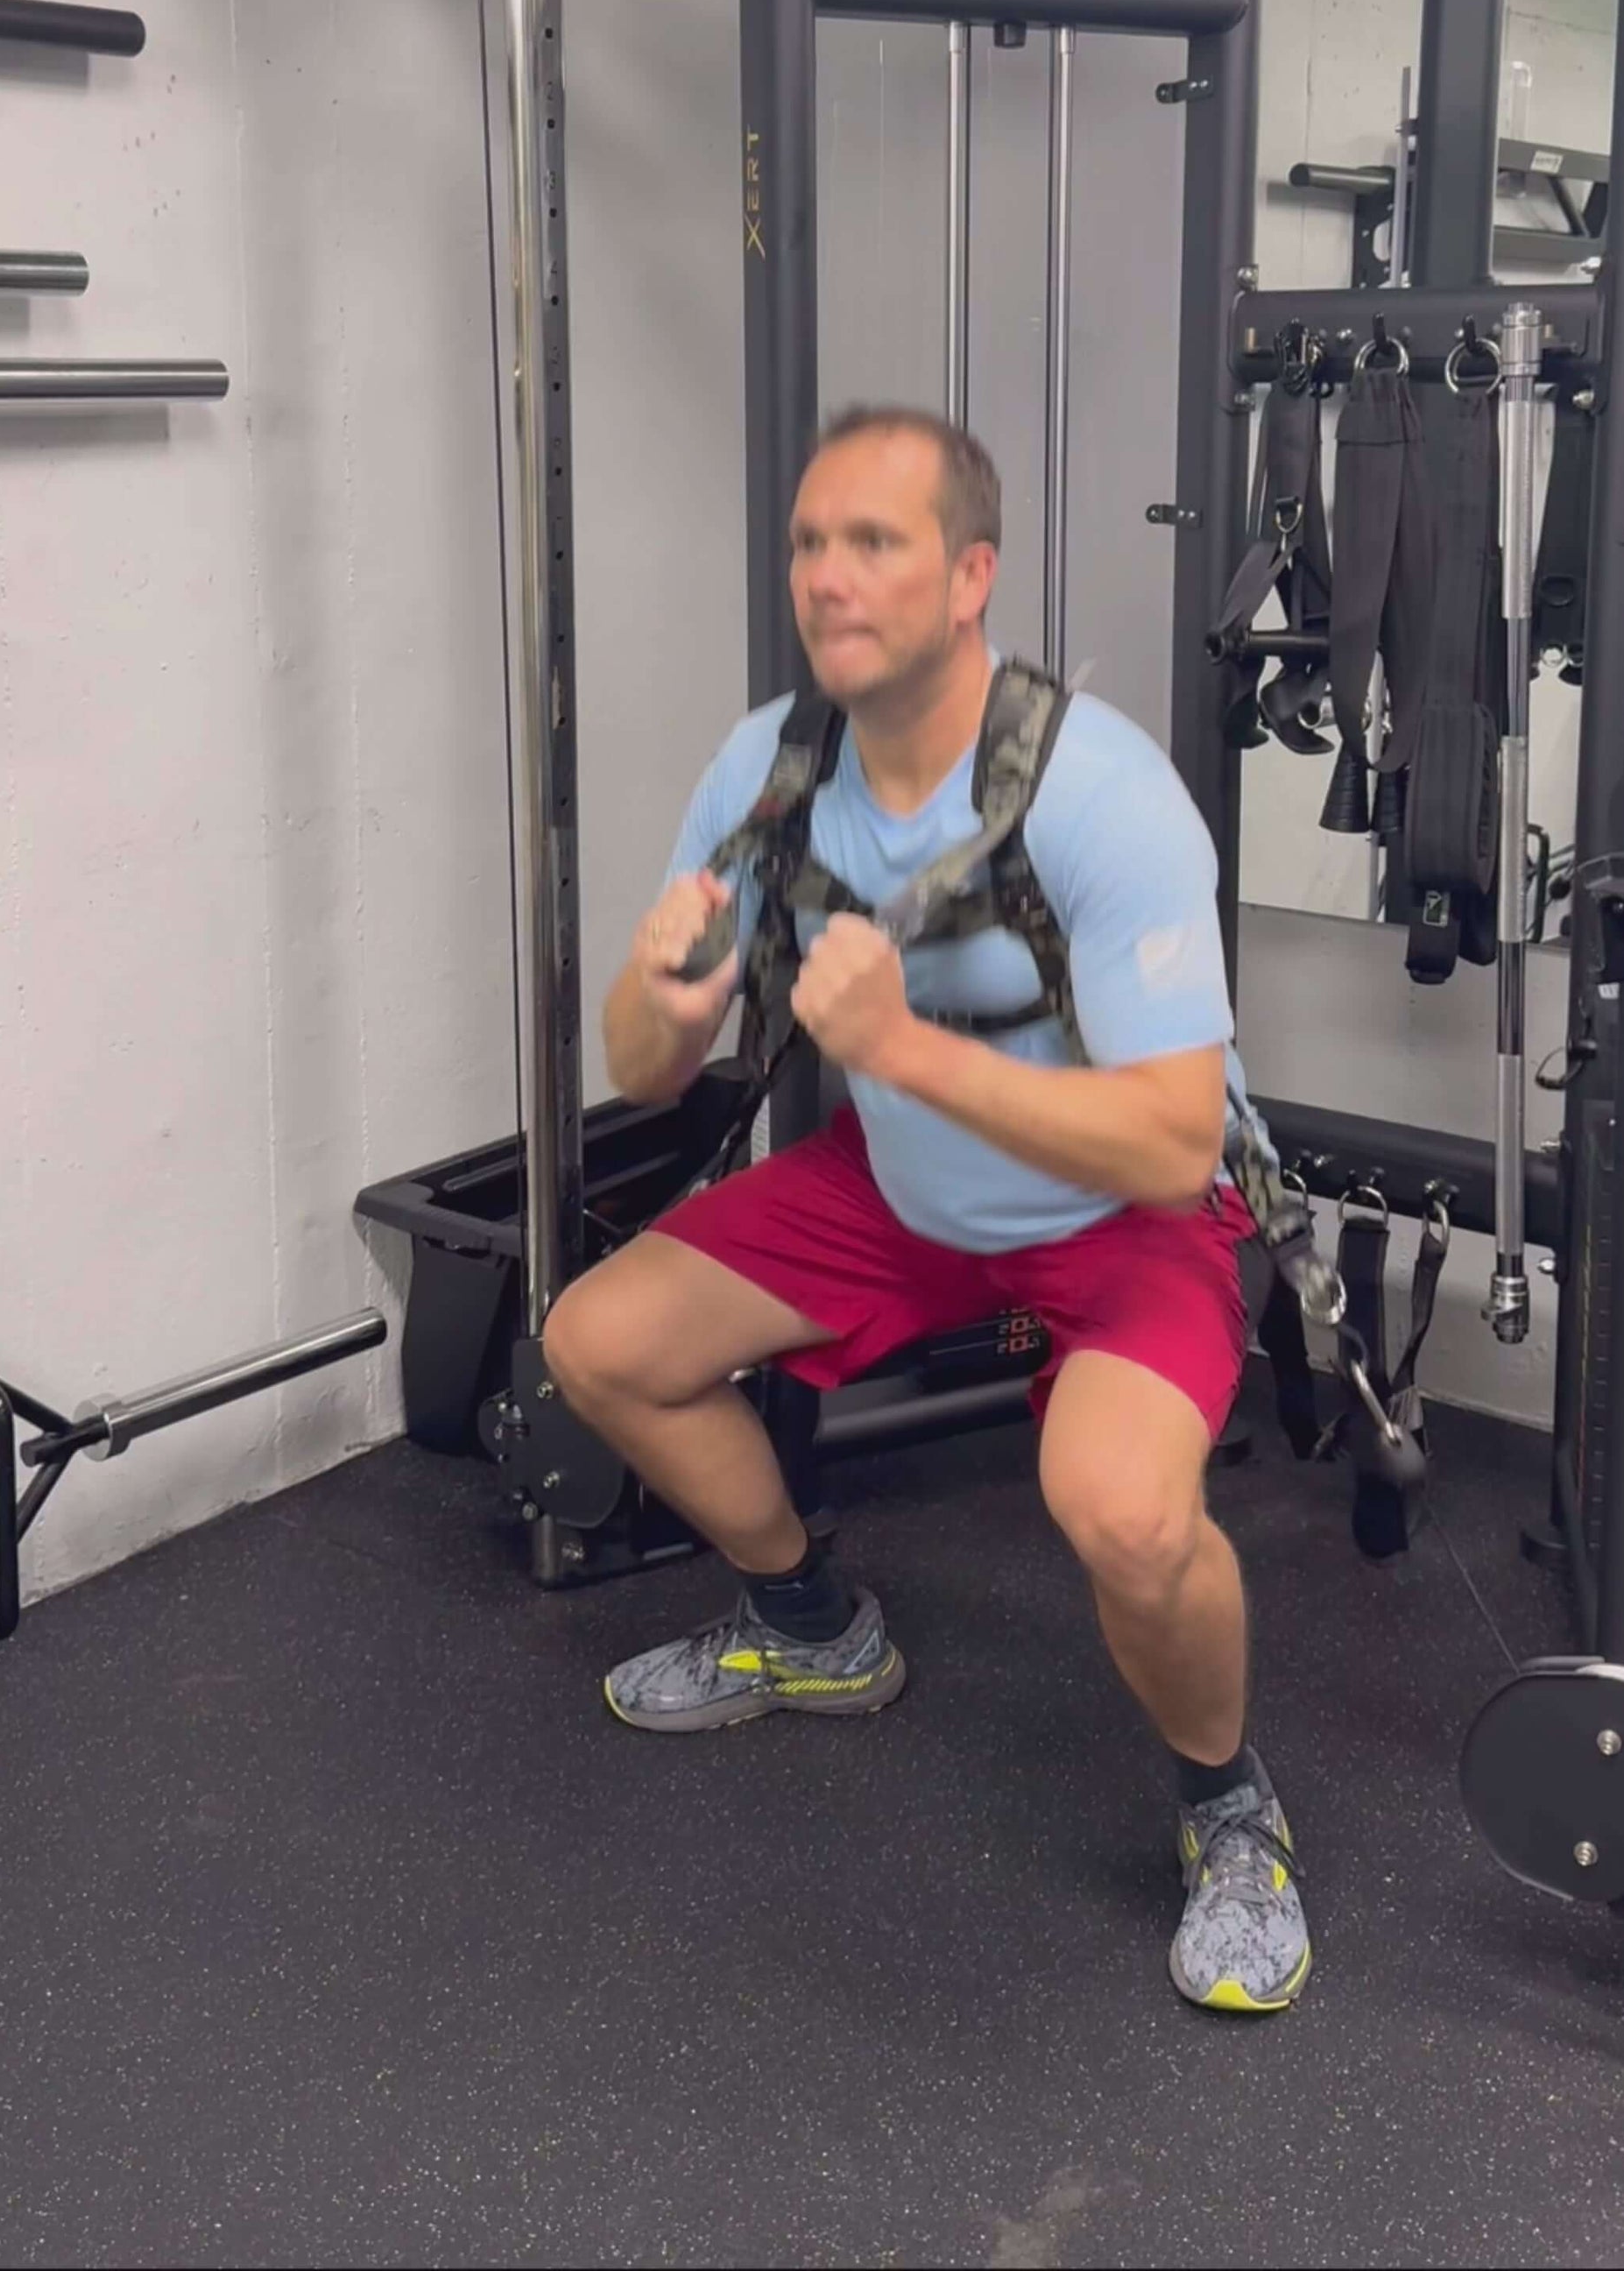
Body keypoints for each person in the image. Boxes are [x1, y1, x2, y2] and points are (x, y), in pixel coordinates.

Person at [544, 406, 1310, 2017]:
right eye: (809, 544)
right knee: (599, 1341)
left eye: (873, 543)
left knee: (1123, 1512)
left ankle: (1229, 1808)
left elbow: (1175, 1142)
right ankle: (808, 1625)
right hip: (901, 1191)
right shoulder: (770, 770)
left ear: (971, 578)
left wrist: (898, 1051)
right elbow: (639, 1069)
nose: (827, 577)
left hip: (1120, 1215)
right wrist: (661, 996)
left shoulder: (1099, 792)